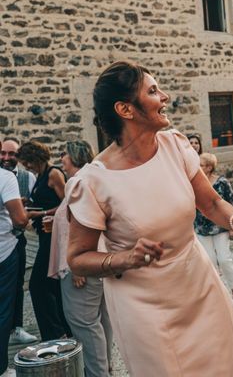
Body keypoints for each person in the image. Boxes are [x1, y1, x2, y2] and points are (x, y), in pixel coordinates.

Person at [66, 61, 233, 377]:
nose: (165, 96)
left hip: (198, 283)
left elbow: (213, 203)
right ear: (125, 108)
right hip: (144, 305)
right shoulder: (93, 181)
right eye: (152, 91)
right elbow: (78, 258)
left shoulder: (174, 146)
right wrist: (125, 258)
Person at [49, 140, 113, 377]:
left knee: (83, 323)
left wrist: (78, 267)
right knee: (100, 321)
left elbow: (85, 226)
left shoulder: (79, 183)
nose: (61, 159)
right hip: (95, 262)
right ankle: (105, 369)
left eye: (64, 154)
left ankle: (98, 373)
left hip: (81, 266)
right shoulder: (91, 180)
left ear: (75, 156)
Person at [16, 140, 70, 341]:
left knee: (38, 285)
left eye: (27, 162)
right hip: (45, 236)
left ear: (35, 158)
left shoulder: (54, 174)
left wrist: (42, 214)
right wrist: (29, 203)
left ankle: (54, 332)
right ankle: (63, 330)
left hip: (54, 236)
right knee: (52, 285)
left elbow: (67, 203)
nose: (26, 167)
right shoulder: (39, 176)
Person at [0, 138, 38, 345]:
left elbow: (34, 202)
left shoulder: (28, 178)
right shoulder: (3, 178)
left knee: (17, 286)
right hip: (5, 242)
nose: (6, 158)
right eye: (3, 153)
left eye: (11, 154)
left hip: (18, 240)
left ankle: (17, 328)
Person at [196, 152, 233, 305]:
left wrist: (232, 226)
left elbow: (232, 204)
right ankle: (219, 294)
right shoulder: (194, 182)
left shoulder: (222, 182)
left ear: (209, 167)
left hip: (220, 227)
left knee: (224, 259)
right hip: (201, 229)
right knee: (209, 261)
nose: (197, 168)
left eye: (201, 165)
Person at [0, 148, 28, 377]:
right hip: (3, 252)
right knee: (2, 311)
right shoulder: (5, 178)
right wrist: (25, 217)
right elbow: (19, 218)